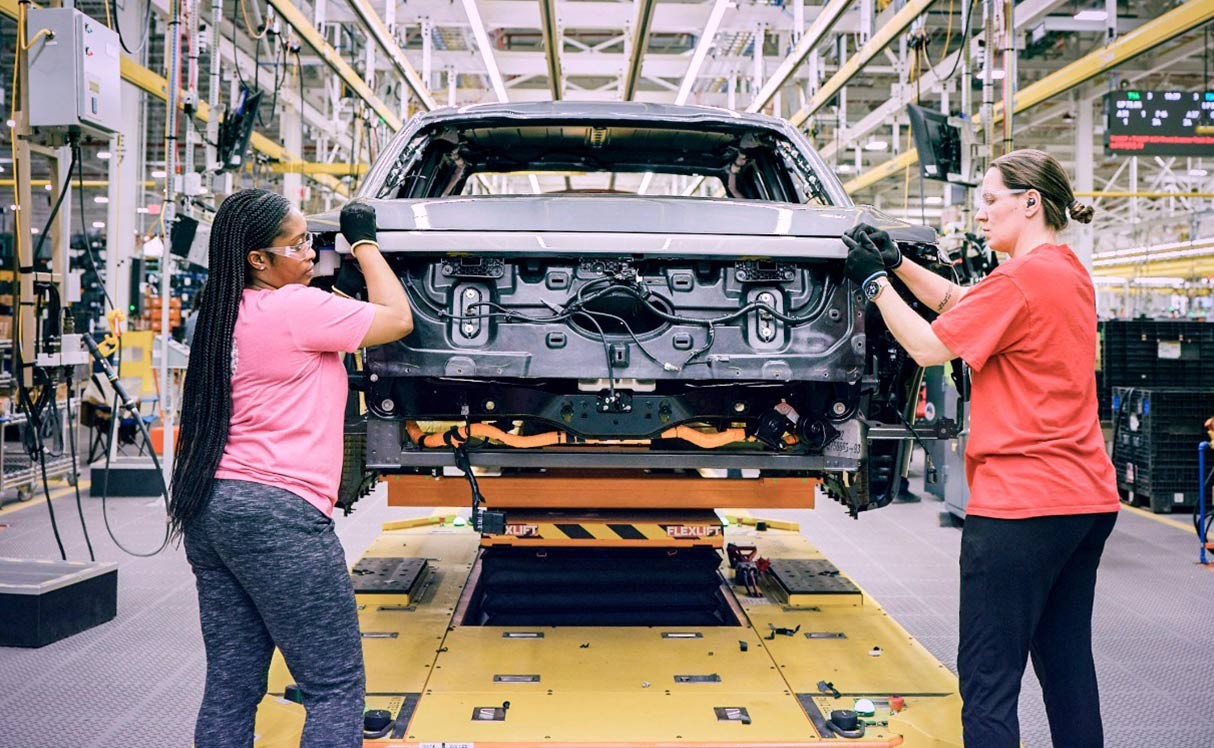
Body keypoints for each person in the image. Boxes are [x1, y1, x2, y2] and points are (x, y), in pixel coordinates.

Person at [840, 149, 1118, 748]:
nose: (982, 214)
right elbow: (963, 304)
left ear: (1030, 202)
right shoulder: (1065, 270)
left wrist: (873, 284)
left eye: (991, 200)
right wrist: (901, 266)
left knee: (989, 681)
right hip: (1084, 501)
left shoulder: (1019, 279)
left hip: (1021, 508)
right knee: (1068, 670)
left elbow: (925, 346)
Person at [168, 189, 413, 747]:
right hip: (278, 516)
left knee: (231, 688)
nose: (311, 252)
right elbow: (397, 319)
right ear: (258, 259)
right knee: (334, 687)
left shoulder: (222, 312)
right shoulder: (296, 309)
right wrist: (366, 244)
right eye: (298, 243)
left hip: (213, 508)